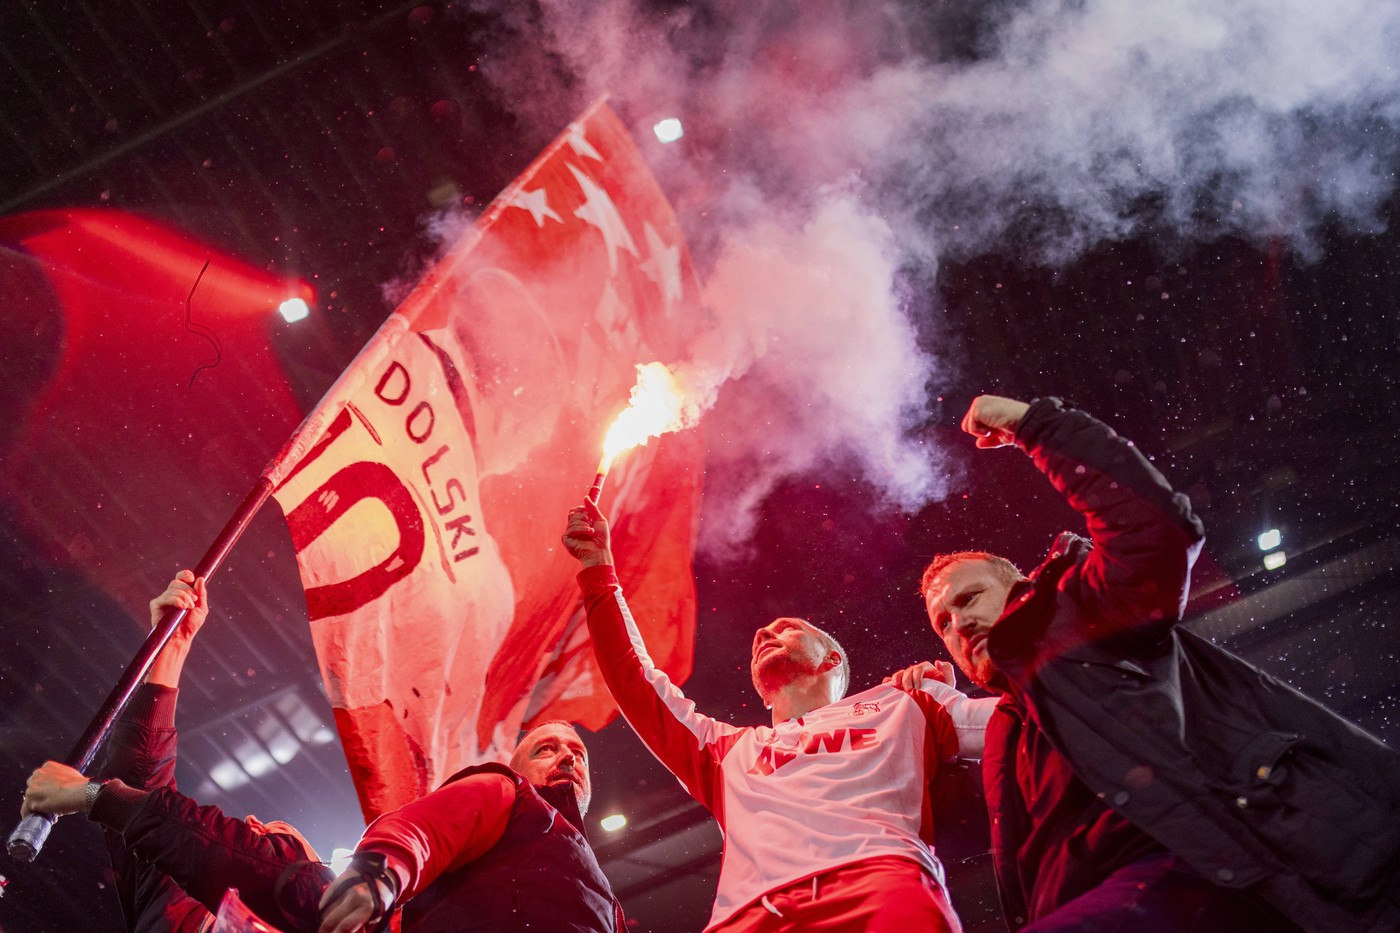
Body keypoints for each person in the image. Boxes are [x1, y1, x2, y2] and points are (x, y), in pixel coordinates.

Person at [911, 394, 1400, 932]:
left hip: (1190, 875)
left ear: (1022, 588)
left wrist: (1037, 425)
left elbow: (1155, 530)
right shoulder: (1009, 731)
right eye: (942, 624)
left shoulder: (1085, 613)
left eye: (970, 598)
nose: (958, 624)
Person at [561, 499, 997, 933]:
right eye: (763, 635)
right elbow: (635, 679)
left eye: (789, 628)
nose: (763, 633)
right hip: (749, 916)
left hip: (881, 889)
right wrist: (599, 568)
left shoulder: (906, 704)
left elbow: (1021, 721)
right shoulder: (723, 751)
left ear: (830, 661)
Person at [20, 571, 332, 932]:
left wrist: (90, 795)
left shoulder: (320, 906)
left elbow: (227, 856)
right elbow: (139, 788)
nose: (251, 823)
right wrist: (172, 646)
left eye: (277, 841)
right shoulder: (171, 901)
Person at [317, 720, 622, 933]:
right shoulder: (508, 790)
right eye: (546, 749)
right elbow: (426, 827)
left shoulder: (609, 898)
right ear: (519, 770)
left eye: (579, 754)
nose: (569, 757)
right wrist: (378, 874)